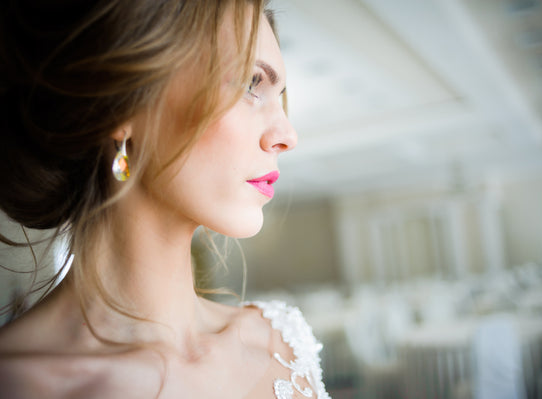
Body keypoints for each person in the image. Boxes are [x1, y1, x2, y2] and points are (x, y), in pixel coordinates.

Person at [0, 1, 330, 398]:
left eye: (281, 96)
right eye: (250, 83)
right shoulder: (18, 382)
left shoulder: (284, 345)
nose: (287, 136)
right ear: (122, 101)